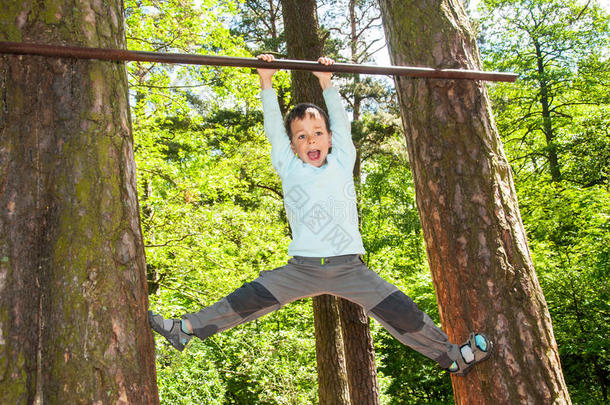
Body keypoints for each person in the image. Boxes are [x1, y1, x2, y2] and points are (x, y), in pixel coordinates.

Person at [148, 54, 492, 376]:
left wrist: (327, 83)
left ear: (329, 139)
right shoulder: (288, 165)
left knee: (400, 310)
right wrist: (266, 83)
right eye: (301, 136)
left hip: (349, 268)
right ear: (293, 145)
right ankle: (185, 329)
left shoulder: (343, 160)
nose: (310, 140)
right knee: (248, 297)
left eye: (317, 133)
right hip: (302, 268)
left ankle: (453, 358)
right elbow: (272, 129)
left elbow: (341, 123)